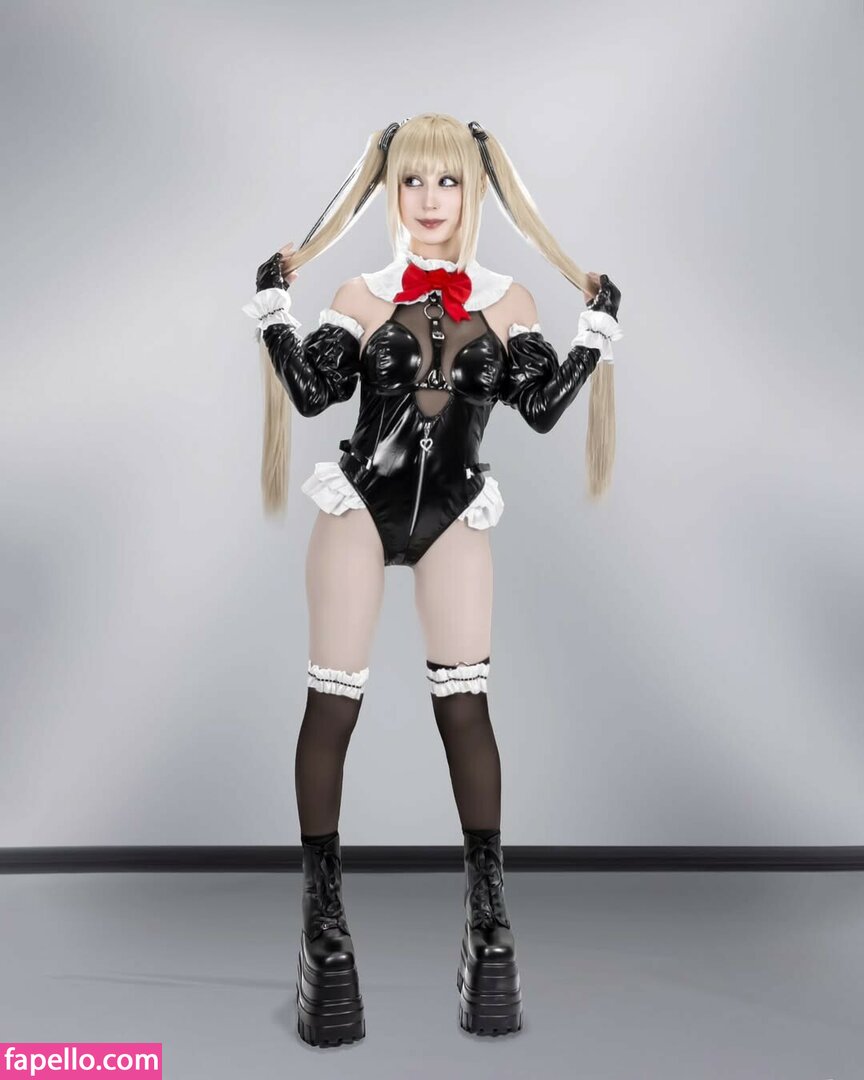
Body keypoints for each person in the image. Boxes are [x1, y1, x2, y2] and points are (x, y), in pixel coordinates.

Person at [242, 114, 623, 1046]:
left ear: (474, 191)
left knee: (466, 710)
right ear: (390, 192)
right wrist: (275, 310)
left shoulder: (510, 300)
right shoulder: (360, 295)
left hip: (455, 511)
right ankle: (324, 929)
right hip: (359, 508)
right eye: (411, 181)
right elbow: (313, 393)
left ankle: (490, 924)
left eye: (447, 182)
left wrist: (594, 332)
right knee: (333, 707)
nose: (428, 199)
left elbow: (539, 409)